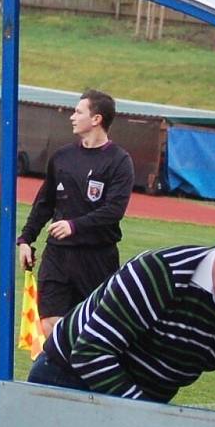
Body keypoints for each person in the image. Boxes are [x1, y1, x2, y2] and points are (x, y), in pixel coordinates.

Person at [28, 205, 215, 418]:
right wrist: (148, 419)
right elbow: (90, 353)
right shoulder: (160, 273)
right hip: (65, 375)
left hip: (143, 397)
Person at [16, 89, 135, 337]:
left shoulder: (119, 161)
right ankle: (60, 370)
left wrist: (74, 225)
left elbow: (114, 210)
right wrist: (26, 239)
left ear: (96, 119)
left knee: (93, 331)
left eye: (78, 111)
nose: (72, 116)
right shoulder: (62, 157)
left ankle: (78, 372)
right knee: (50, 324)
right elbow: (44, 203)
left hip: (96, 257)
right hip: (58, 254)